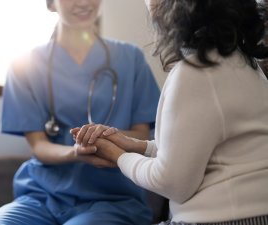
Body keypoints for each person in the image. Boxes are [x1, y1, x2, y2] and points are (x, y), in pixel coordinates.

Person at [72, 0, 268, 224]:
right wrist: (133, 144)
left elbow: (172, 184)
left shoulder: (196, 74)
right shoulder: (242, 62)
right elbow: (193, 150)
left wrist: (117, 155)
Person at [0, 0, 160, 224]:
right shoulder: (23, 65)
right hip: (41, 196)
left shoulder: (130, 59)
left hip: (113, 198)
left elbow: (142, 136)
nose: (83, 2)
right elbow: (39, 146)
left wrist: (105, 138)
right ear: (50, 4)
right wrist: (76, 152)